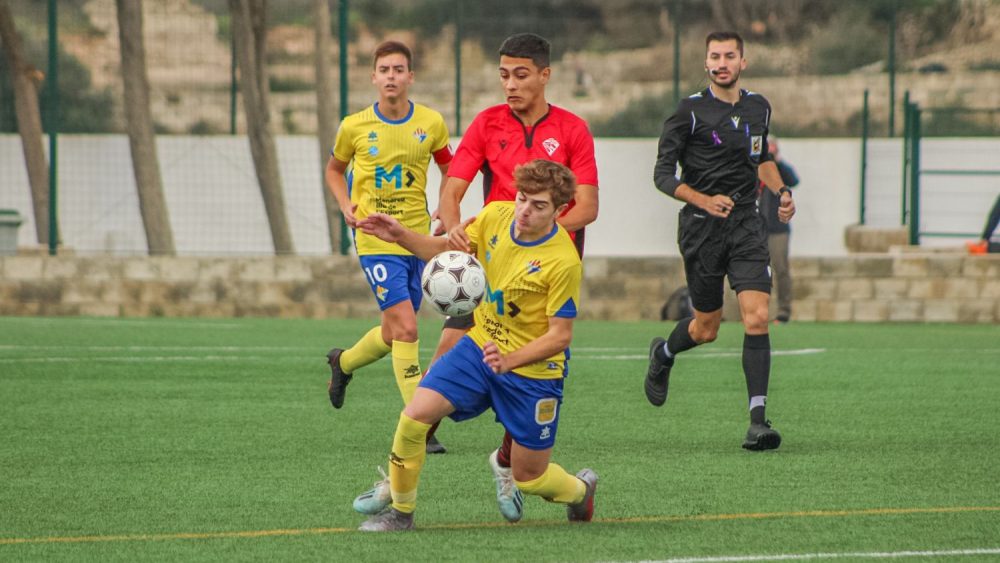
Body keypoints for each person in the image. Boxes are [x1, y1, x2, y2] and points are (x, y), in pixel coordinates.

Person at [353, 159, 598, 532]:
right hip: (480, 346)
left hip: (533, 374)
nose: (525, 210)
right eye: (522, 198)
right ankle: (401, 512)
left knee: (530, 478)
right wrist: (400, 235)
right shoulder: (495, 215)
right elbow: (442, 251)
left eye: (539, 205)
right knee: (415, 416)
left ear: (560, 210)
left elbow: (560, 336)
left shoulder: (563, 261)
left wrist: (510, 359)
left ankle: (581, 490)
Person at [413, 32, 598, 522]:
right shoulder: (487, 123)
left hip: (540, 283)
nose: (510, 85)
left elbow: (587, 207)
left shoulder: (573, 129)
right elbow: (452, 191)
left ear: (544, 75)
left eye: (520, 75)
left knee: (521, 377)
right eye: (503, 75)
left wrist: (537, 236)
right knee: (441, 364)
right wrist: (457, 238)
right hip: (487, 272)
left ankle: (507, 464)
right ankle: (403, 468)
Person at [646, 31, 795, 451]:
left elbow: (761, 158)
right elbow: (662, 176)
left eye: (730, 55)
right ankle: (663, 354)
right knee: (706, 328)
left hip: (747, 225)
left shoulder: (758, 106)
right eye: (715, 56)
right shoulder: (688, 112)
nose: (722, 63)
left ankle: (758, 423)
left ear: (742, 62)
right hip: (701, 230)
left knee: (757, 317)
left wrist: (782, 192)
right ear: (706, 62)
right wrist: (703, 199)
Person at [324, 41, 452, 454]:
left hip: (415, 238)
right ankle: (420, 425)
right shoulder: (354, 126)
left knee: (392, 331)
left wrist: (446, 207)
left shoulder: (431, 122)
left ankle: (342, 363)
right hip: (374, 238)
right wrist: (345, 205)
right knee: (409, 328)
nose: (391, 76)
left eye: (399, 69)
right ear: (374, 77)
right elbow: (334, 170)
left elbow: (451, 168)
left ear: (410, 76)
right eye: (384, 70)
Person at [757, 138, 800, 323]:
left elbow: (793, 181)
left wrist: (777, 161)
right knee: (754, 271)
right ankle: (755, 311)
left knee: (781, 269)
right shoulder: (756, 167)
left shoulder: (781, 170)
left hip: (778, 228)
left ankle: (783, 311)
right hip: (756, 227)